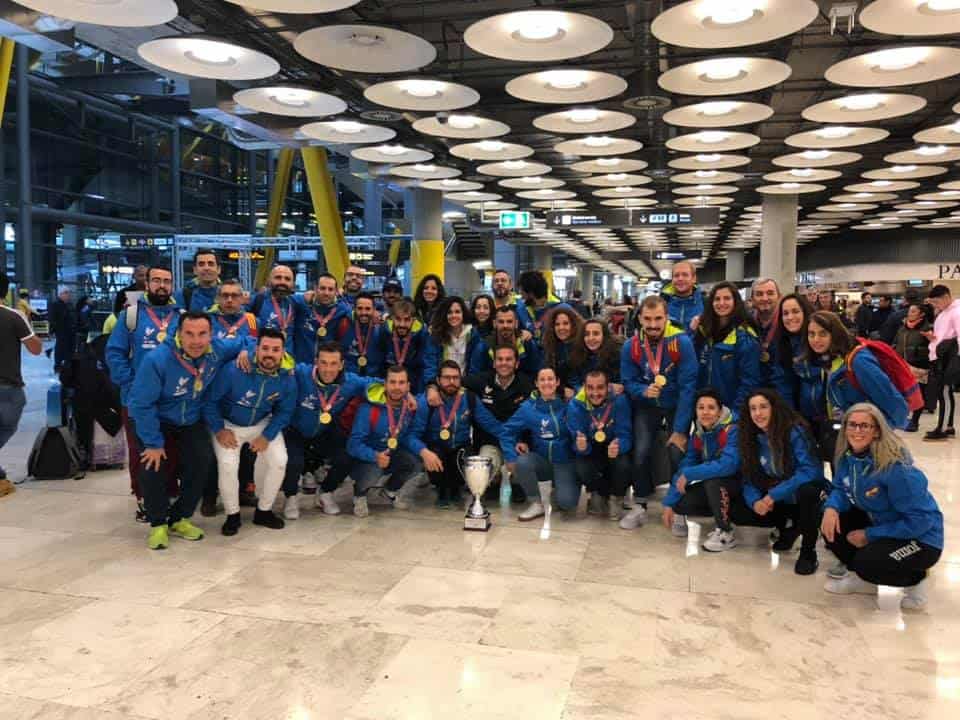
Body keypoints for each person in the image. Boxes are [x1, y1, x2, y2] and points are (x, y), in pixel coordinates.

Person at [126, 312, 246, 549]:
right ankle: (158, 523)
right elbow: (141, 404)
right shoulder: (157, 360)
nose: (196, 341)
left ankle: (180, 518)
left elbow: (244, 340)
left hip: (190, 419)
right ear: (179, 334)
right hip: (156, 419)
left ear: (212, 336)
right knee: (153, 465)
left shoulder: (216, 350)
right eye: (189, 334)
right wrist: (153, 442)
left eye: (202, 334)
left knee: (202, 461)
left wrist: (245, 351)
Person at [822, 403, 943, 610]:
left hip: (921, 539)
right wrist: (831, 508)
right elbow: (841, 489)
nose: (857, 431)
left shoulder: (896, 469)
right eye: (852, 425)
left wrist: (870, 535)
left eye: (865, 426)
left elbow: (921, 521)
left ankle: (917, 579)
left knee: (869, 562)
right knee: (830, 520)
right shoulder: (848, 458)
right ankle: (862, 580)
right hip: (883, 524)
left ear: (877, 431)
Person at [106, 266, 183, 521]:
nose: (162, 285)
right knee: (140, 450)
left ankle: (170, 494)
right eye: (157, 280)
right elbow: (115, 353)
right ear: (147, 284)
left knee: (170, 450)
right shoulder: (130, 314)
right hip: (138, 399)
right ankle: (143, 499)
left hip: (172, 399)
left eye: (167, 281)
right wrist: (130, 383)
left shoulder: (180, 316)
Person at [204, 328, 295, 536]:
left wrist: (267, 435)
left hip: (262, 423)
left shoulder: (288, 376)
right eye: (265, 348)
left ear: (283, 352)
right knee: (228, 465)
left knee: (280, 460)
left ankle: (263, 511)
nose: (269, 354)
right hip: (228, 424)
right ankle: (232, 515)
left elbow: (285, 410)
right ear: (256, 348)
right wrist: (219, 429)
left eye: (275, 349)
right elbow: (210, 402)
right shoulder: (234, 369)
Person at [620, 295, 698, 529]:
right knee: (641, 452)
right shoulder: (631, 346)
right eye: (647, 319)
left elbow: (688, 387)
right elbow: (627, 381)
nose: (653, 324)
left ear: (666, 318)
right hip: (647, 406)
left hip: (676, 405)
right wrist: (644, 391)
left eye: (658, 319)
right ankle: (640, 503)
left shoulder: (680, 342)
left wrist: (682, 428)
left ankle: (678, 507)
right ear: (639, 319)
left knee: (676, 452)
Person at [285, 342, 386, 518]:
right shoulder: (301, 373)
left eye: (333, 364)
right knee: (294, 462)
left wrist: (407, 394)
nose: (328, 369)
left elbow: (377, 383)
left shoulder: (350, 382)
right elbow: (278, 360)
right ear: (316, 362)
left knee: (347, 454)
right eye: (323, 363)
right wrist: (247, 354)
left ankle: (325, 492)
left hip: (324, 431)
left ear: (341, 365)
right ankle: (291, 496)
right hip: (296, 430)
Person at [733, 389, 827, 575]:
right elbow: (748, 476)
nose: (758, 413)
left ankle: (808, 552)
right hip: (778, 499)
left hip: (797, 495)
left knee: (808, 491)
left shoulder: (794, 431)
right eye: (753, 408)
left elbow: (811, 470)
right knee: (739, 511)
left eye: (763, 407)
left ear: (774, 408)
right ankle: (788, 528)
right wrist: (755, 502)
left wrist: (773, 495)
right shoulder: (750, 436)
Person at [803, 311, 909, 449]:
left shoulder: (858, 361)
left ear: (834, 334)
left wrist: (876, 434)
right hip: (845, 436)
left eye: (823, 333)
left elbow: (895, 404)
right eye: (811, 334)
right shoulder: (827, 360)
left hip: (867, 442)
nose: (816, 339)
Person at [347, 365, 443, 518]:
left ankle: (390, 490)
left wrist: (424, 451)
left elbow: (407, 437)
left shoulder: (409, 408)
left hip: (391, 454)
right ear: (384, 384)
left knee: (416, 462)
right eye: (392, 382)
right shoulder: (368, 408)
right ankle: (359, 494)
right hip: (366, 460)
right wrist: (374, 456)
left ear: (408, 386)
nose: (396, 387)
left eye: (401, 382)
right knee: (374, 469)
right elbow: (353, 445)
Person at [662, 388, 740, 550]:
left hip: (741, 486)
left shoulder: (733, 429)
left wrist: (691, 473)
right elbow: (686, 465)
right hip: (718, 486)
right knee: (681, 503)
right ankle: (721, 515)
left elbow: (728, 465)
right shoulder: (699, 433)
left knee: (713, 482)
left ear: (720, 412)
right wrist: (669, 503)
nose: (705, 412)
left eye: (711, 408)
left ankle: (726, 532)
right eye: (701, 407)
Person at [417, 360, 502, 507]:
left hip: (461, 447)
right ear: (438, 380)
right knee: (437, 455)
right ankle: (441, 488)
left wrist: (513, 438)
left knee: (464, 459)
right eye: (446, 378)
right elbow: (413, 434)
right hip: (436, 449)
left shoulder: (469, 398)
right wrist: (423, 452)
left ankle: (457, 488)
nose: (451, 382)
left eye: (455, 378)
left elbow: (491, 424)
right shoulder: (427, 401)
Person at [501, 366, 576, 520]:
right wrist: (510, 456)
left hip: (564, 462)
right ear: (536, 383)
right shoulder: (528, 408)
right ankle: (536, 503)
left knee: (567, 503)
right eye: (542, 379)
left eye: (550, 379)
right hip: (542, 462)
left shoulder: (569, 404)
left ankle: (562, 486)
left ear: (557, 382)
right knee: (522, 461)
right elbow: (506, 431)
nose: (546, 383)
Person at [463, 343, 534, 503]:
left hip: (517, 443)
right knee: (483, 470)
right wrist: (432, 387)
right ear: (494, 363)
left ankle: (517, 482)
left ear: (517, 363)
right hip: (490, 441)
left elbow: (532, 421)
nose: (504, 363)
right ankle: (493, 482)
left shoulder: (527, 385)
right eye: (500, 359)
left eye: (509, 359)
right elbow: (453, 382)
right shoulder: (481, 380)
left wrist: (525, 442)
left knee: (523, 462)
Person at [568, 369, 632, 520]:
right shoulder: (575, 405)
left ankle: (617, 496)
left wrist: (619, 445)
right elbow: (575, 440)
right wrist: (581, 447)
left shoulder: (620, 401)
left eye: (600, 387)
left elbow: (626, 436)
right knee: (580, 465)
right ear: (584, 387)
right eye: (590, 388)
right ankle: (597, 492)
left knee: (624, 463)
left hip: (612, 447)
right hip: (591, 448)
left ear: (608, 386)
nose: (595, 393)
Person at [0, 272, 43, 490]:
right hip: (7, 386)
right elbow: (35, 349)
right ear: (5, 292)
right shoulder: (14, 316)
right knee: (7, 426)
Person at [694, 281, 761, 416]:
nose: (721, 303)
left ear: (735, 301)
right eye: (717, 299)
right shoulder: (703, 331)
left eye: (727, 298)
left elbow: (749, 381)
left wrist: (735, 413)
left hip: (730, 409)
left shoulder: (744, 335)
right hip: (704, 409)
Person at [924, 284, 960, 441]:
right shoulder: (945, 312)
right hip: (941, 357)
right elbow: (946, 335)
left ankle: (943, 428)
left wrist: (957, 360)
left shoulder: (957, 312)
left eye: (936, 302)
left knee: (943, 392)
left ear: (946, 297)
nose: (935, 306)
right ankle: (949, 425)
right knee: (946, 392)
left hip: (948, 358)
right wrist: (933, 338)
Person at [468, 305, 541, 377]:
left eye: (509, 322)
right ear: (494, 324)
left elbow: (537, 374)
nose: (505, 326)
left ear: (516, 324)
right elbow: (474, 377)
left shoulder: (527, 344)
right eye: (501, 322)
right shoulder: (483, 347)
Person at [295, 273, 351, 364]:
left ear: (336, 291)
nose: (326, 293)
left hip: (327, 368)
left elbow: (359, 315)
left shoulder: (342, 309)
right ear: (315, 289)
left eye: (330, 289)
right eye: (322, 288)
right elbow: (284, 299)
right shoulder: (302, 303)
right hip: (302, 366)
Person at [247, 265, 303, 354]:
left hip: (288, 364)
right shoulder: (256, 301)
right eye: (278, 277)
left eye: (287, 279)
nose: (282, 282)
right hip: (264, 361)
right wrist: (246, 349)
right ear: (269, 281)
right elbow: (245, 330)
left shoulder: (296, 302)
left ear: (293, 284)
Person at [894, 304, 932, 433]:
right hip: (902, 365)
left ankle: (915, 421)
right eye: (909, 311)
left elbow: (932, 347)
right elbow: (896, 343)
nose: (910, 313)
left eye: (913, 311)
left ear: (921, 314)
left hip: (919, 366)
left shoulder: (928, 328)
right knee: (903, 393)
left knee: (918, 394)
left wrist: (917, 351)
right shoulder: (902, 328)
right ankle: (904, 418)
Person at [378, 299, 429, 394]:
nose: (402, 324)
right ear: (392, 318)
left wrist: (418, 394)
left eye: (406, 320)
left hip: (413, 388)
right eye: (398, 319)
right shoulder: (383, 332)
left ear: (413, 320)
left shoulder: (422, 335)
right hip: (389, 387)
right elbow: (379, 365)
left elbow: (423, 368)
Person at [424, 296, 479, 381]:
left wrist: (468, 386)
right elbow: (430, 366)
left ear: (463, 314)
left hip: (465, 384)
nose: (454, 315)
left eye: (457, 312)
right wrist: (432, 385)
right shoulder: (435, 336)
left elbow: (475, 369)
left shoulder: (473, 335)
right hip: (441, 384)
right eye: (449, 312)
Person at [568, 318, 623, 394]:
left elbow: (621, 384)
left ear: (604, 336)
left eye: (596, 333)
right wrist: (581, 389)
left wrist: (609, 387)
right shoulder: (578, 353)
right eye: (587, 334)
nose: (591, 338)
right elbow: (574, 379)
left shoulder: (617, 354)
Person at [541, 306, 585, 396]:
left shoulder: (584, 344)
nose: (561, 328)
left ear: (573, 324)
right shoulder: (550, 346)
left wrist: (577, 392)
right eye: (557, 324)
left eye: (565, 323)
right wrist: (561, 390)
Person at [515, 270, 567, 343]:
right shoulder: (521, 309)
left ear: (531, 293)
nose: (521, 296)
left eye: (522, 292)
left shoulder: (563, 309)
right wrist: (521, 333)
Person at [341, 292, 384, 377]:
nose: (363, 312)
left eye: (368, 309)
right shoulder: (344, 326)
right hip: (349, 379)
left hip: (373, 381)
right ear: (354, 308)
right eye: (360, 308)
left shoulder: (381, 330)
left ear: (374, 309)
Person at [751, 278, 781, 386]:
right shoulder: (746, 323)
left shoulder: (787, 324)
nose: (764, 298)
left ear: (779, 296)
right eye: (759, 294)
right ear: (752, 299)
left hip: (781, 393)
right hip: (753, 390)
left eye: (770, 293)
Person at [660, 260, 704, 333]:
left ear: (694, 278)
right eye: (676, 275)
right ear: (672, 279)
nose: (680, 278)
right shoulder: (661, 304)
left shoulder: (706, 304)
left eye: (685, 275)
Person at [49, 287, 77, 373]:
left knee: (70, 349)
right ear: (60, 294)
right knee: (60, 349)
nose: (68, 295)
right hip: (61, 331)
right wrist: (54, 330)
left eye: (68, 293)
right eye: (66, 293)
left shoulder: (70, 304)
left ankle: (69, 365)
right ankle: (58, 366)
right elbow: (52, 318)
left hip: (71, 331)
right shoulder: (55, 304)